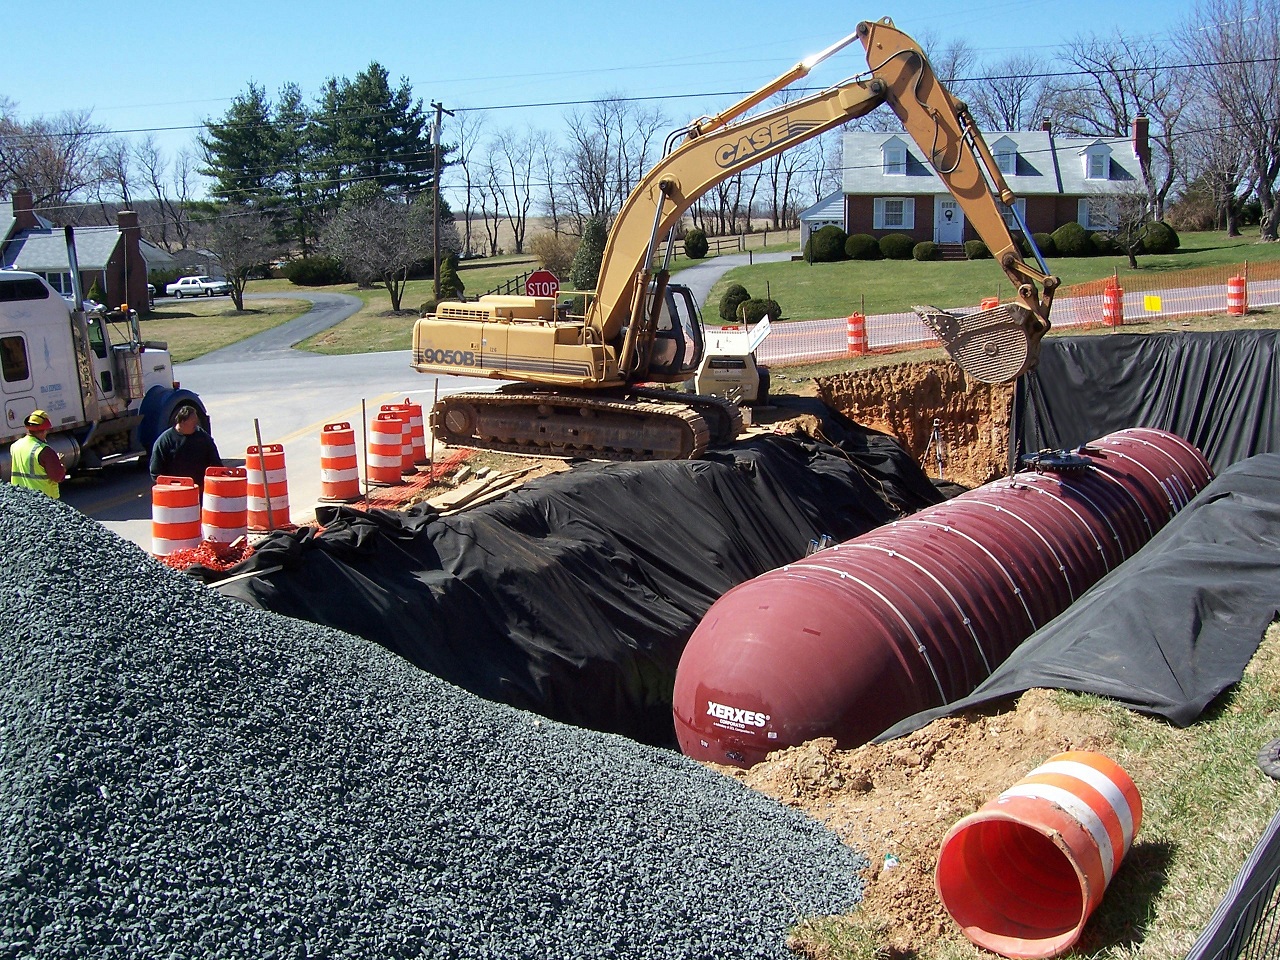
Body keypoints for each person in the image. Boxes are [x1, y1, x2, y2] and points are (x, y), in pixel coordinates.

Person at [149, 405, 222, 489]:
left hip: (200, 489)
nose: (196, 424)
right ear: (182, 422)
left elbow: (215, 461)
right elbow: (156, 472)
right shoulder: (165, 441)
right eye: (193, 422)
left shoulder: (202, 437)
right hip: (176, 491)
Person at [9, 409, 67, 498]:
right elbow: (58, 477)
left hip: (20, 498)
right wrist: (61, 465)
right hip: (43, 500)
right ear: (44, 430)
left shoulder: (15, 446)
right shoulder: (45, 451)